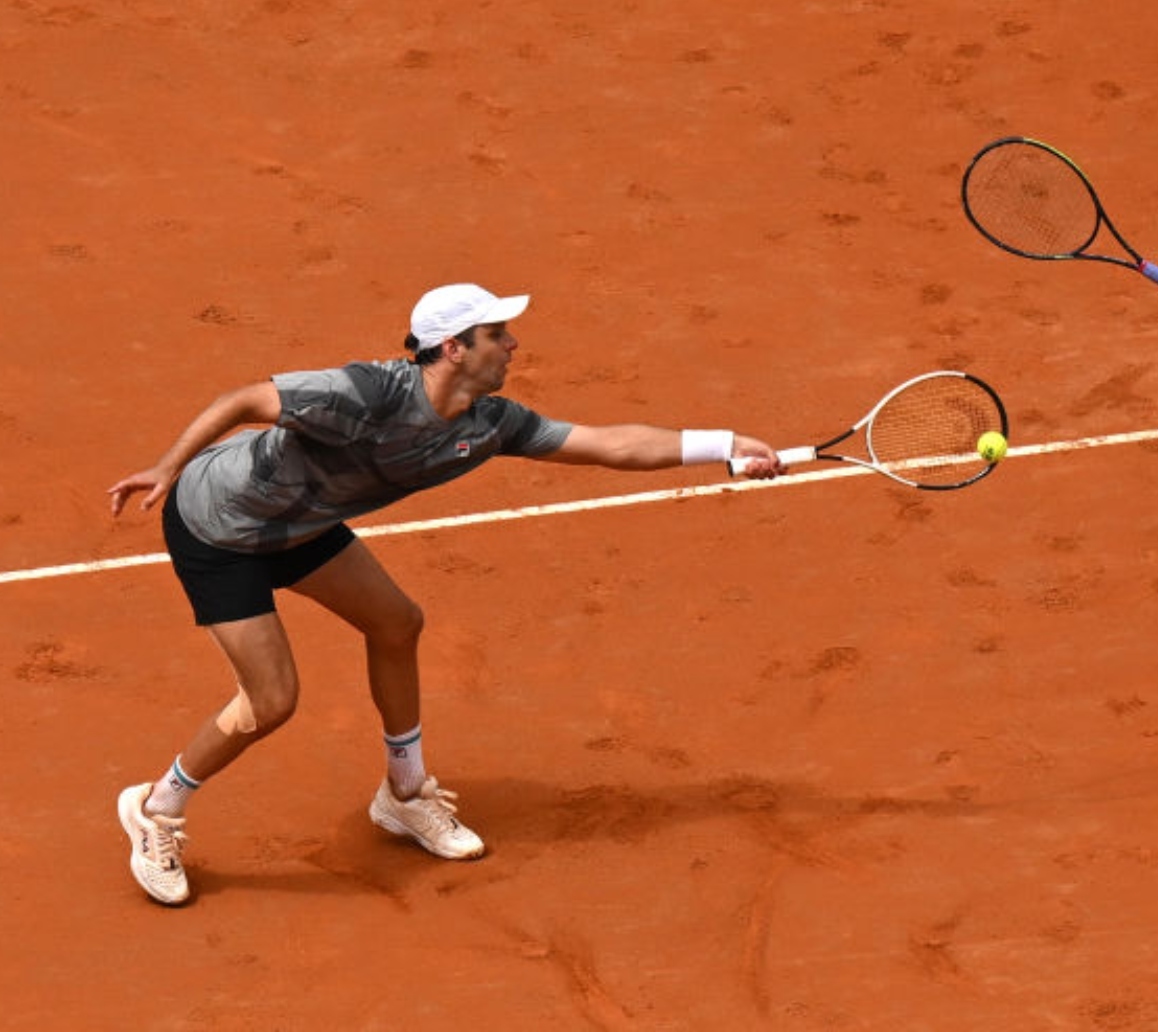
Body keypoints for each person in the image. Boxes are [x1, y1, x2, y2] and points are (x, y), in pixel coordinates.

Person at [108, 283, 783, 906]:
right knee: (272, 699)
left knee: (397, 624)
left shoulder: (491, 424)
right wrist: (169, 466)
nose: (513, 344)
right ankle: (156, 807)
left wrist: (726, 445)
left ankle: (404, 795)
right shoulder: (365, 393)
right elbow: (246, 400)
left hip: (301, 527)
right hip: (218, 528)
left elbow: (610, 444)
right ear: (454, 349)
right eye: (498, 334)